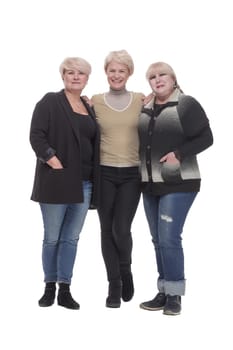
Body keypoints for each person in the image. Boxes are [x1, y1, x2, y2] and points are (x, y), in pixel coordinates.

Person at [138, 61, 213, 315]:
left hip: (179, 182)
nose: (157, 80)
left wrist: (179, 154)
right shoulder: (146, 107)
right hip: (150, 184)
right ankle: (163, 289)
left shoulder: (186, 103)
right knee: (157, 238)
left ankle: (175, 296)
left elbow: (206, 137)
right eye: (152, 77)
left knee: (169, 237)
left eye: (162, 75)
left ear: (173, 79)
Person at [30, 57, 100, 310]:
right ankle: (49, 287)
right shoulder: (51, 101)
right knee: (52, 238)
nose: (75, 76)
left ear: (87, 78)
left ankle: (65, 289)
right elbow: (36, 134)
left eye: (81, 73)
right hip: (56, 180)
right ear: (63, 76)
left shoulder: (87, 105)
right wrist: (52, 159)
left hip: (85, 183)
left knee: (71, 239)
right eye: (70, 72)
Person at [91, 50, 145, 308]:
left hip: (132, 174)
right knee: (105, 230)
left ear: (129, 73)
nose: (116, 75)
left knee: (121, 229)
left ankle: (126, 270)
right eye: (112, 70)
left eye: (121, 71)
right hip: (104, 173)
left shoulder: (140, 100)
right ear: (106, 73)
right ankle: (113, 284)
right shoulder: (95, 101)